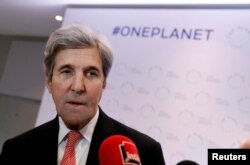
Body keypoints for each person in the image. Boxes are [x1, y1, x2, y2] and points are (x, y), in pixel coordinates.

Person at [0, 24, 165, 165]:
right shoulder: (16, 150)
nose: (78, 87)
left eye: (91, 73)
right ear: (49, 81)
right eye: (66, 71)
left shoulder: (145, 152)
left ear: (104, 84)